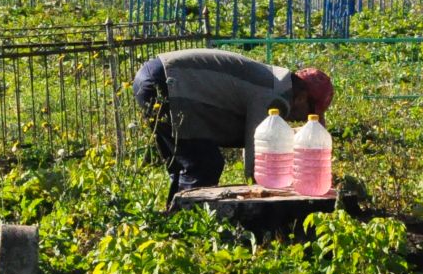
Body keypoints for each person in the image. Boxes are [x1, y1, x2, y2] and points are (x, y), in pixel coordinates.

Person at [131, 48, 333, 197]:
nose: (303, 119)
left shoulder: (275, 81)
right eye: (309, 112)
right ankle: (187, 228)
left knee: (186, 166)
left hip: (156, 77)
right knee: (204, 164)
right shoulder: (274, 95)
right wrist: (266, 194)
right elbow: (256, 152)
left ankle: (172, 224)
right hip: (167, 82)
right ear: (301, 98)